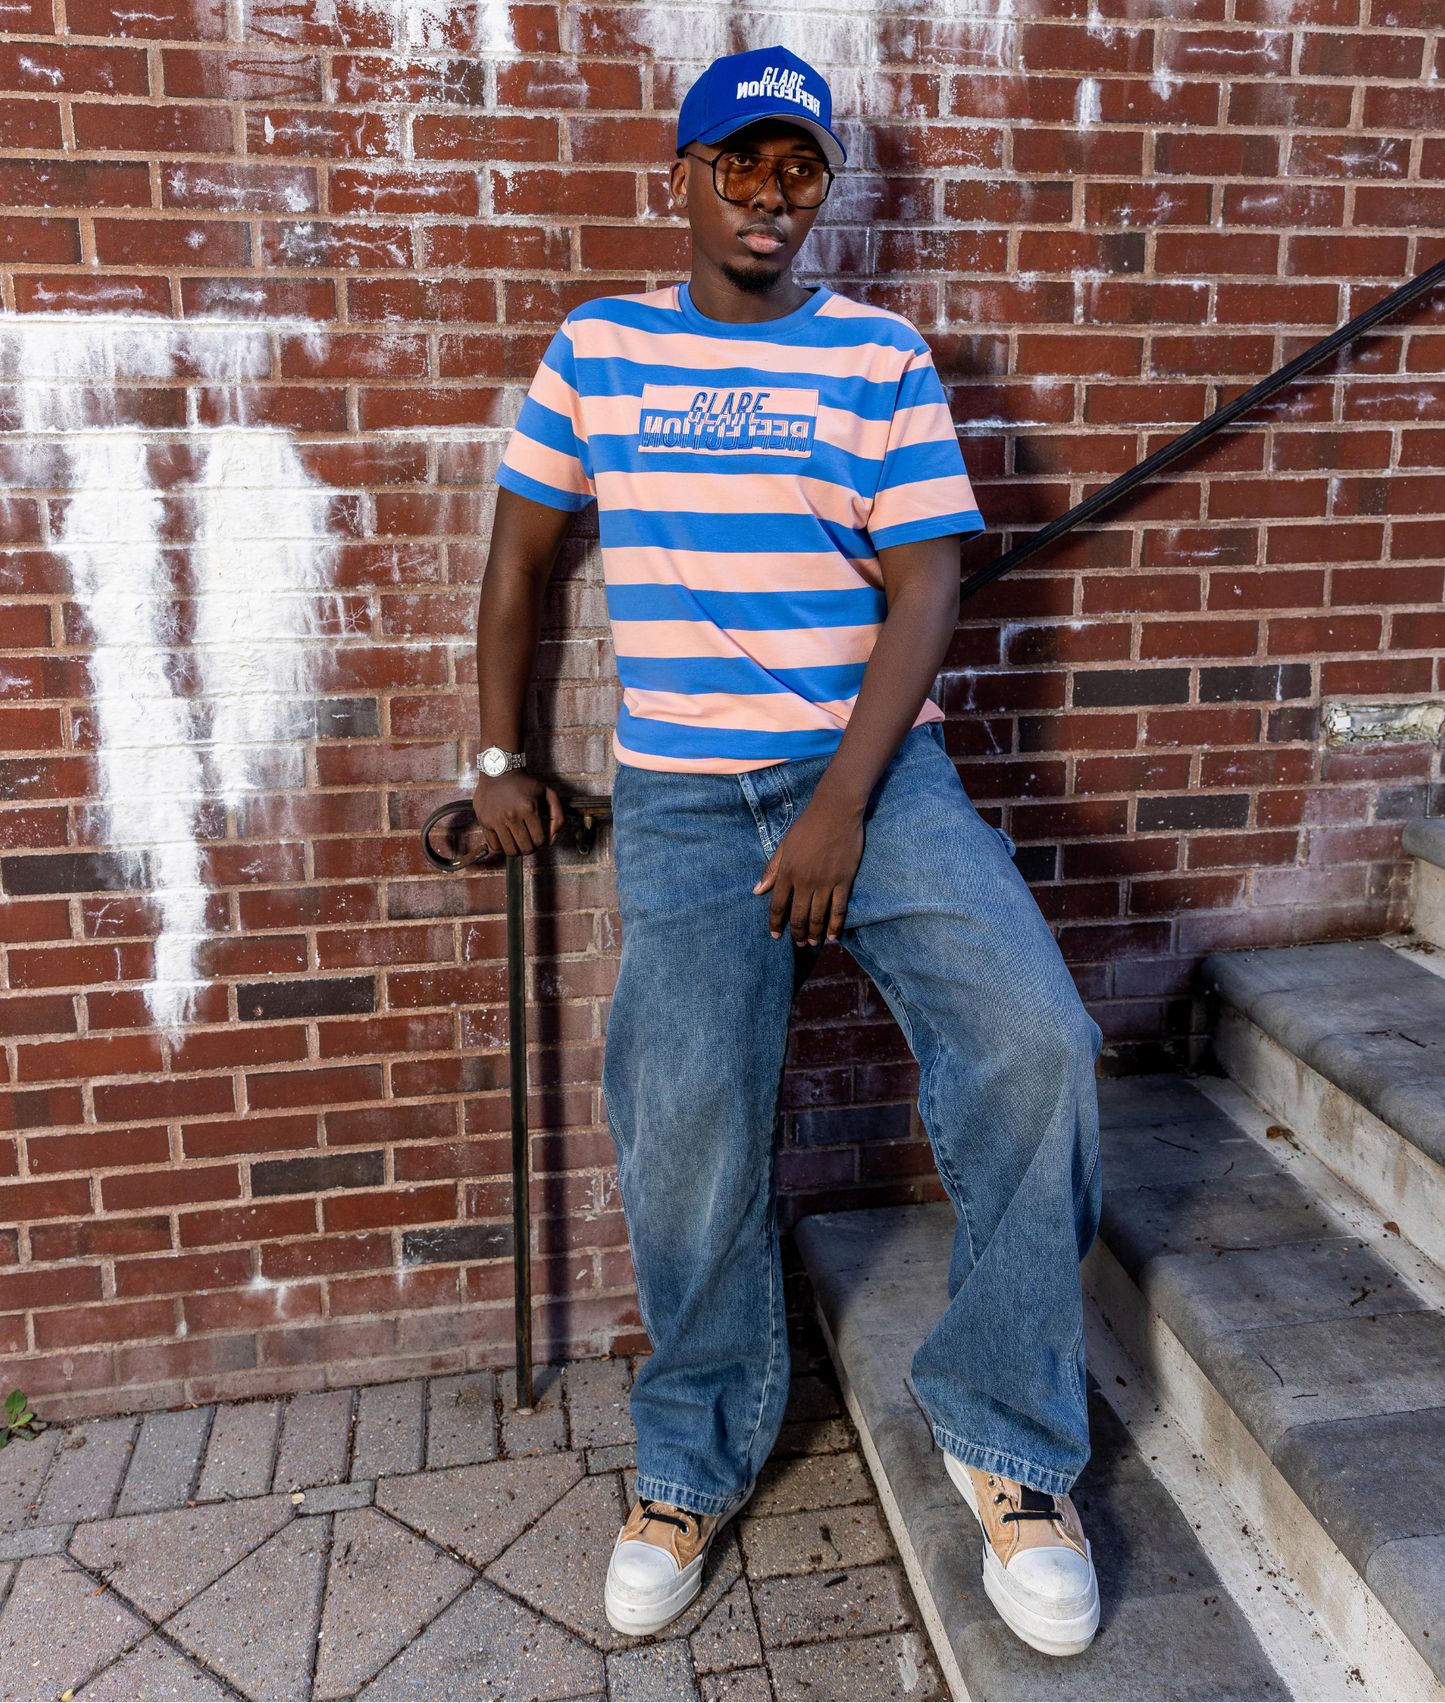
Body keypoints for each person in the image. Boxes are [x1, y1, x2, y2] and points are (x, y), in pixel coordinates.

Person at [470, 44, 1104, 1660]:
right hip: (684, 801)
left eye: (799, 167)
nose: (769, 194)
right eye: (740, 162)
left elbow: (930, 583)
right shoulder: (599, 348)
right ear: (679, 177)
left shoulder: (879, 355)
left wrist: (842, 803)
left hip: (878, 780)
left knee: (1035, 1039)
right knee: (681, 1119)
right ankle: (692, 1459)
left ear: (823, 187)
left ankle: (1012, 1443)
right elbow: (522, 555)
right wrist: (497, 758)